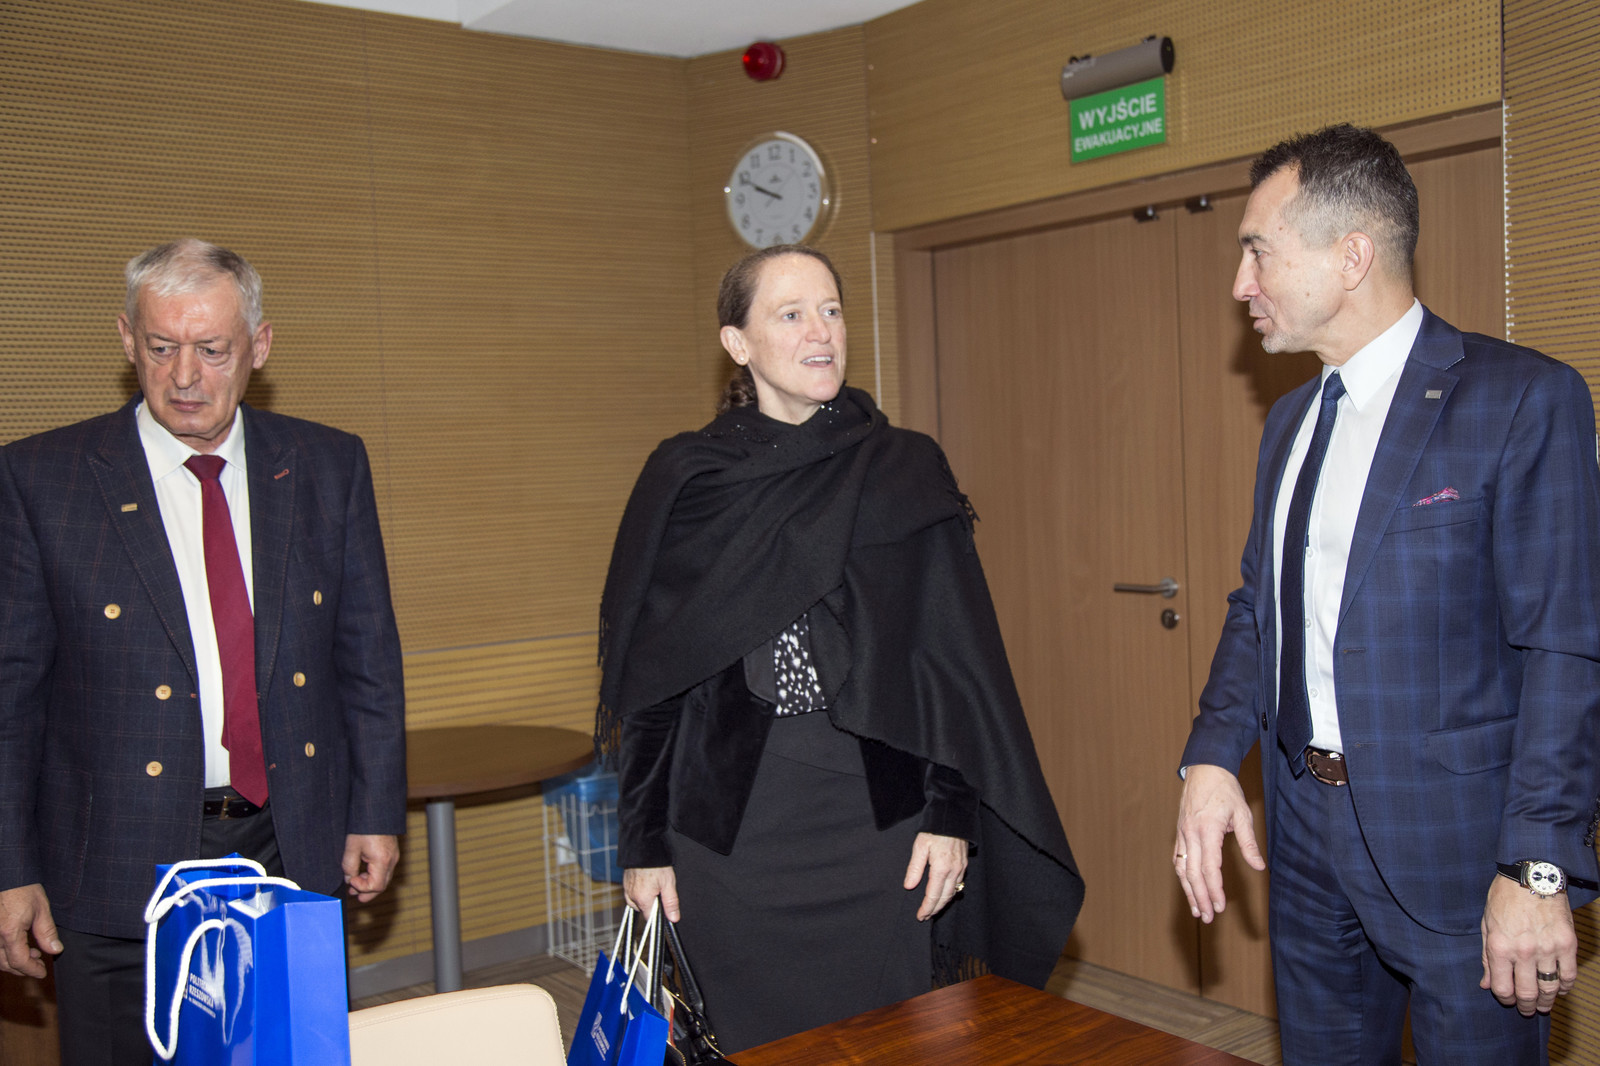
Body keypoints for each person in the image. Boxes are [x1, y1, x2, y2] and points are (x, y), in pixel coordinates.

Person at [1173, 125, 1600, 1065]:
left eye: (1258, 251)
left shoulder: (1521, 400)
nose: (1241, 284)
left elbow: (1566, 651)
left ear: (1351, 255)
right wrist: (1212, 758)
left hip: (1461, 855)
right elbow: (1259, 606)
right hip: (1305, 839)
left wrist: (1537, 865)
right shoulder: (1290, 421)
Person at [596, 245, 1083, 1053]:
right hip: (728, 836)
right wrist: (642, 844)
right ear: (737, 343)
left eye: (830, 310)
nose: (820, 331)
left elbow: (953, 666)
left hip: (880, 828)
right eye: (790, 314)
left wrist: (949, 816)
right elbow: (655, 685)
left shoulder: (903, 469)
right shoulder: (690, 479)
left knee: (889, 1043)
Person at [0, 239, 408, 1066]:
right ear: (127, 339)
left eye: (212, 350)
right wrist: (10, 866)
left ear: (259, 346)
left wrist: (373, 809)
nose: (184, 376)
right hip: (114, 858)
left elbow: (367, 658)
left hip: (286, 840)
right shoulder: (42, 478)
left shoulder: (327, 465)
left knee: (285, 1054)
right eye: (161, 347)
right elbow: (12, 697)